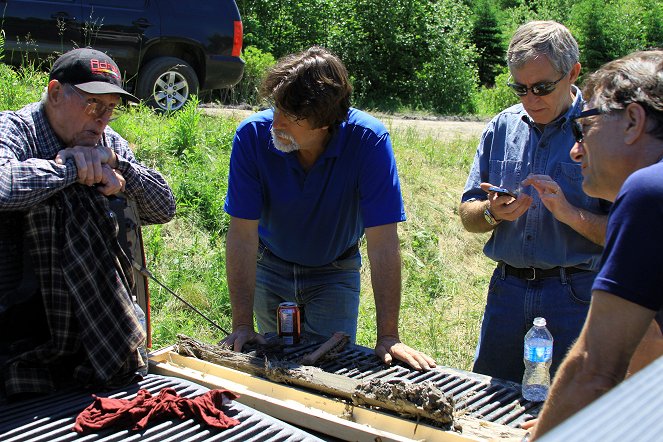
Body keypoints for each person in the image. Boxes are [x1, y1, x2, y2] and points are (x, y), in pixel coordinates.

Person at [221, 46, 435, 371]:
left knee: (329, 372)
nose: (276, 122)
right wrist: (240, 324)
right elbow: (242, 235)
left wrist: (389, 336)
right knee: (271, 367)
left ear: (325, 122)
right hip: (271, 266)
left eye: (291, 116)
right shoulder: (252, 136)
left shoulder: (369, 141)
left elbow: (383, 242)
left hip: (335, 271)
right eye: (276, 107)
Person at [0, 48, 176, 398]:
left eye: (111, 108)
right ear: (54, 93)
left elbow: (164, 207)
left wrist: (119, 168)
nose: (103, 119)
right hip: (16, 328)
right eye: (94, 105)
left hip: (96, 331)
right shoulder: (15, 129)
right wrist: (71, 168)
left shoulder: (106, 142)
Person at [459, 21, 610, 383]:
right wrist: (493, 213)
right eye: (520, 88)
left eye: (542, 87)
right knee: (491, 400)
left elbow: (627, 234)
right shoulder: (502, 126)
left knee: (570, 405)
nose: (530, 99)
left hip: (574, 294)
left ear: (573, 72)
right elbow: (468, 214)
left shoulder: (604, 130)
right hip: (507, 292)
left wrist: (569, 214)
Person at [531, 49, 663, 439]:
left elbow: (594, 368)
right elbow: (651, 339)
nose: (575, 149)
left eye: (583, 128)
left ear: (633, 121)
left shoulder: (648, 191)